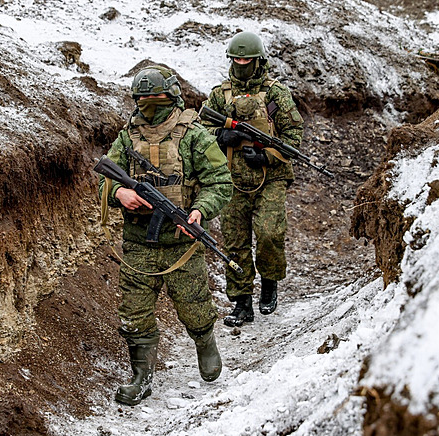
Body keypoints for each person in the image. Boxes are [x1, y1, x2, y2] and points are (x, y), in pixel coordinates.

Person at [98, 66, 232, 406]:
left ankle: (205, 344)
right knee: (134, 313)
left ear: (171, 96)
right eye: (142, 100)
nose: (148, 106)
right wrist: (118, 194)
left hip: (182, 243)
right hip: (138, 242)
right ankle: (141, 378)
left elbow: (220, 182)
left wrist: (199, 211)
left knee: (194, 305)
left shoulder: (193, 135)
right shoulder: (128, 136)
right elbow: (104, 178)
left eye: (155, 99)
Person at [201, 31, 304, 327]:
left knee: (270, 233)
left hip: (270, 177)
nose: (241, 63)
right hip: (231, 179)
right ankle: (242, 303)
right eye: (236, 59)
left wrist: (268, 157)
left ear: (258, 61)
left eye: (246, 59)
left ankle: (269, 282)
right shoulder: (220, 95)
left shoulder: (275, 94)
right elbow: (199, 132)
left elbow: (293, 136)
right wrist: (221, 135)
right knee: (235, 242)